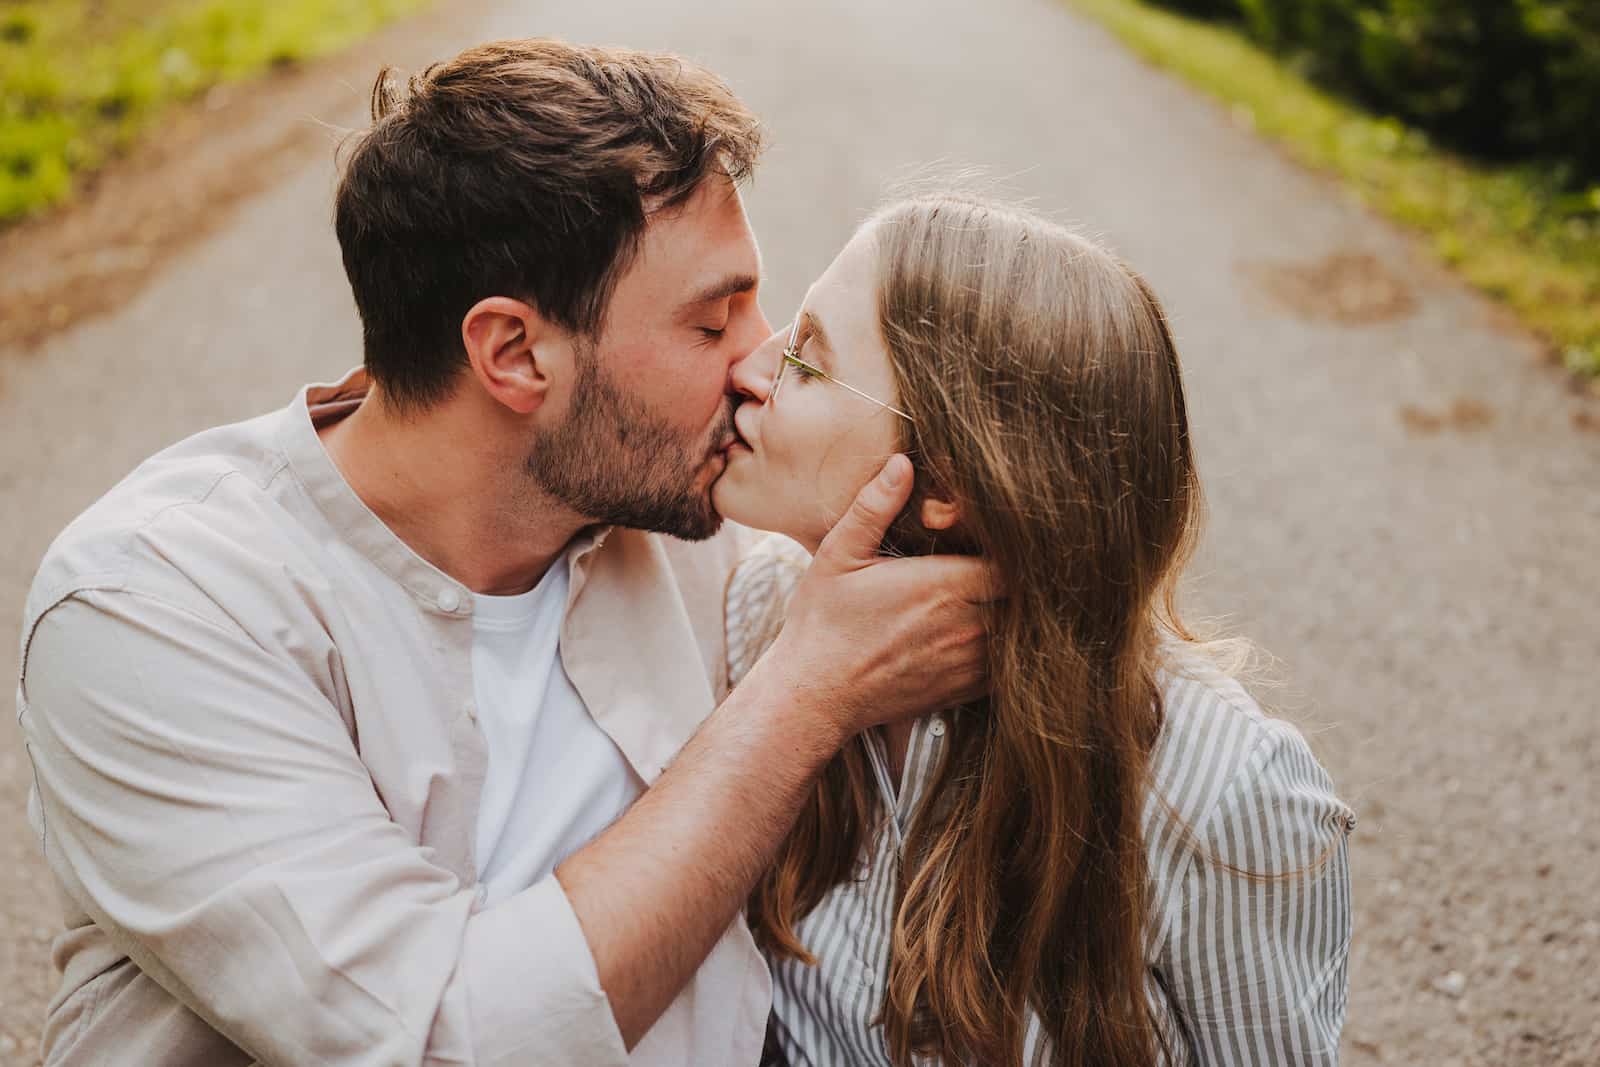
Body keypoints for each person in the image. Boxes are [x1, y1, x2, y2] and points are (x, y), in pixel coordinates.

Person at [15, 42, 991, 1066]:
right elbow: (440, 1036)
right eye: (711, 323)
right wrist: (804, 696)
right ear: (515, 353)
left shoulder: (694, 523)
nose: (762, 362)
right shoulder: (153, 604)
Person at [716, 193, 1355, 1066]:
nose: (748, 369)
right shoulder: (766, 609)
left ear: (944, 482)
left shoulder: (1218, 792)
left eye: (808, 360)